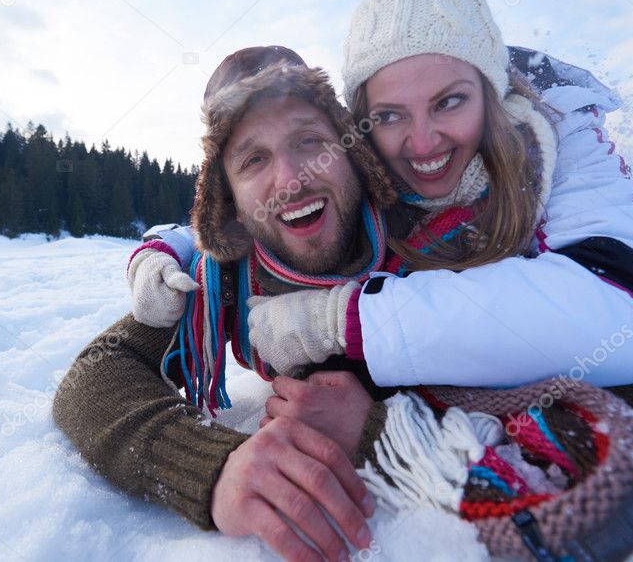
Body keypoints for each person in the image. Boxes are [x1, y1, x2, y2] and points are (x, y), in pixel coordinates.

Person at [123, 0, 633, 558]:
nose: (422, 142)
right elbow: (241, 229)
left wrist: (354, 343)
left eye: (450, 101)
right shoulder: (337, 192)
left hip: (552, 356)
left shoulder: (557, 146)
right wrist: (172, 248)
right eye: (388, 115)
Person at [55, 46, 400, 562]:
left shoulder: (428, 245)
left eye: (310, 141)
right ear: (230, 197)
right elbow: (94, 377)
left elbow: (543, 388)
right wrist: (213, 466)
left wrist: (382, 431)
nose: (290, 180)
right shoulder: (225, 282)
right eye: (253, 159)